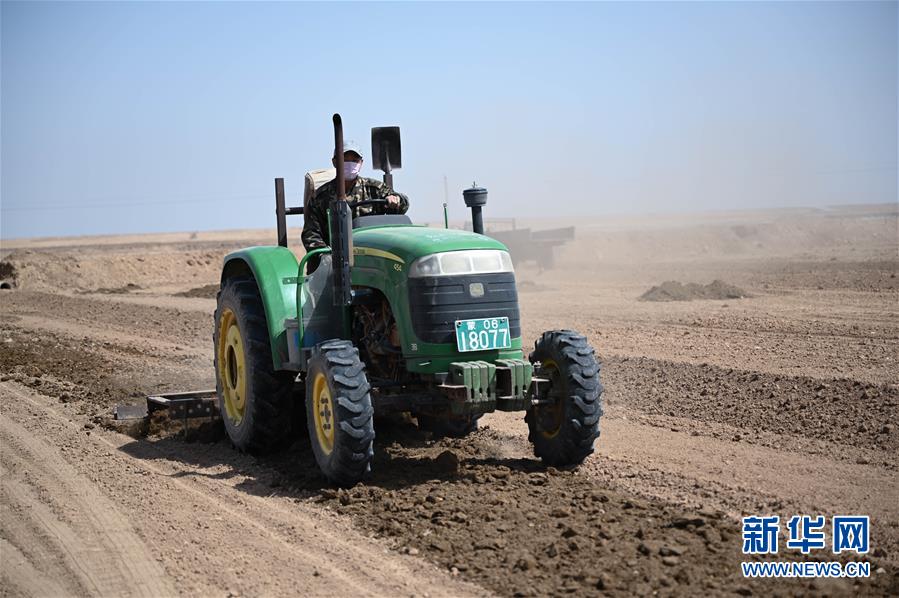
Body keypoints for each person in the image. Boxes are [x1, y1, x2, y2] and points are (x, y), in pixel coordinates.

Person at [301, 140, 408, 272]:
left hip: (369, 257)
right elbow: (311, 234)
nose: (350, 164)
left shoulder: (374, 189)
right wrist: (327, 256)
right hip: (333, 264)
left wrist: (395, 199)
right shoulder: (321, 196)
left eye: (355, 160)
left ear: (361, 163)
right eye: (345, 159)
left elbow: (402, 204)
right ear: (334, 162)